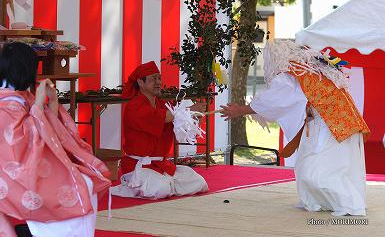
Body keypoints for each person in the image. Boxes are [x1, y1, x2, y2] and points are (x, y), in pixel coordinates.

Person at [220, 39, 370, 216]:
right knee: (333, 165)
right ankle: (321, 202)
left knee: (317, 168)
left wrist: (241, 110)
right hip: (337, 121)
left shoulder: (291, 70)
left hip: (329, 124)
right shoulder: (310, 67)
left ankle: (347, 205)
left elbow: (277, 99)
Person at [0, 42, 111, 237]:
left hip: (33, 166)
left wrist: (51, 102)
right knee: (77, 189)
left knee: (86, 182)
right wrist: (38, 107)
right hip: (15, 176)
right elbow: (18, 146)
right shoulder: (5, 104)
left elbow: (46, 131)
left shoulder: (21, 96)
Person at [110, 61, 208, 199]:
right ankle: (134, 183)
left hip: (161, 165)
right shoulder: (134, 106)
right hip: (139, 167)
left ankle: (167, 184)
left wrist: (195, 117)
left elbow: (180, 128)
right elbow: (165, 117)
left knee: (198, 182)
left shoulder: (162, 104)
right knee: (160, 188)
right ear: (140, 82)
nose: (158, 82)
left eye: (159, 78)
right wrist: (188, 110)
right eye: (152, 79)